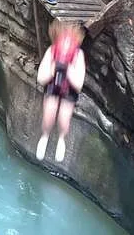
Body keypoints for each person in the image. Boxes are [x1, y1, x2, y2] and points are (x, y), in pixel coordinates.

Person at [35, 20, 85, 163]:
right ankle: (45, 136)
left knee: (64, 119)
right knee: (48, 115)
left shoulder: (78, 55)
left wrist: (68, 69)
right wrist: (53, 69)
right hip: (53, 85)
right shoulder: (51, 50)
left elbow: (79, 85)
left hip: (69, 89)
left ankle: (61, 139)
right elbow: (41, 78)